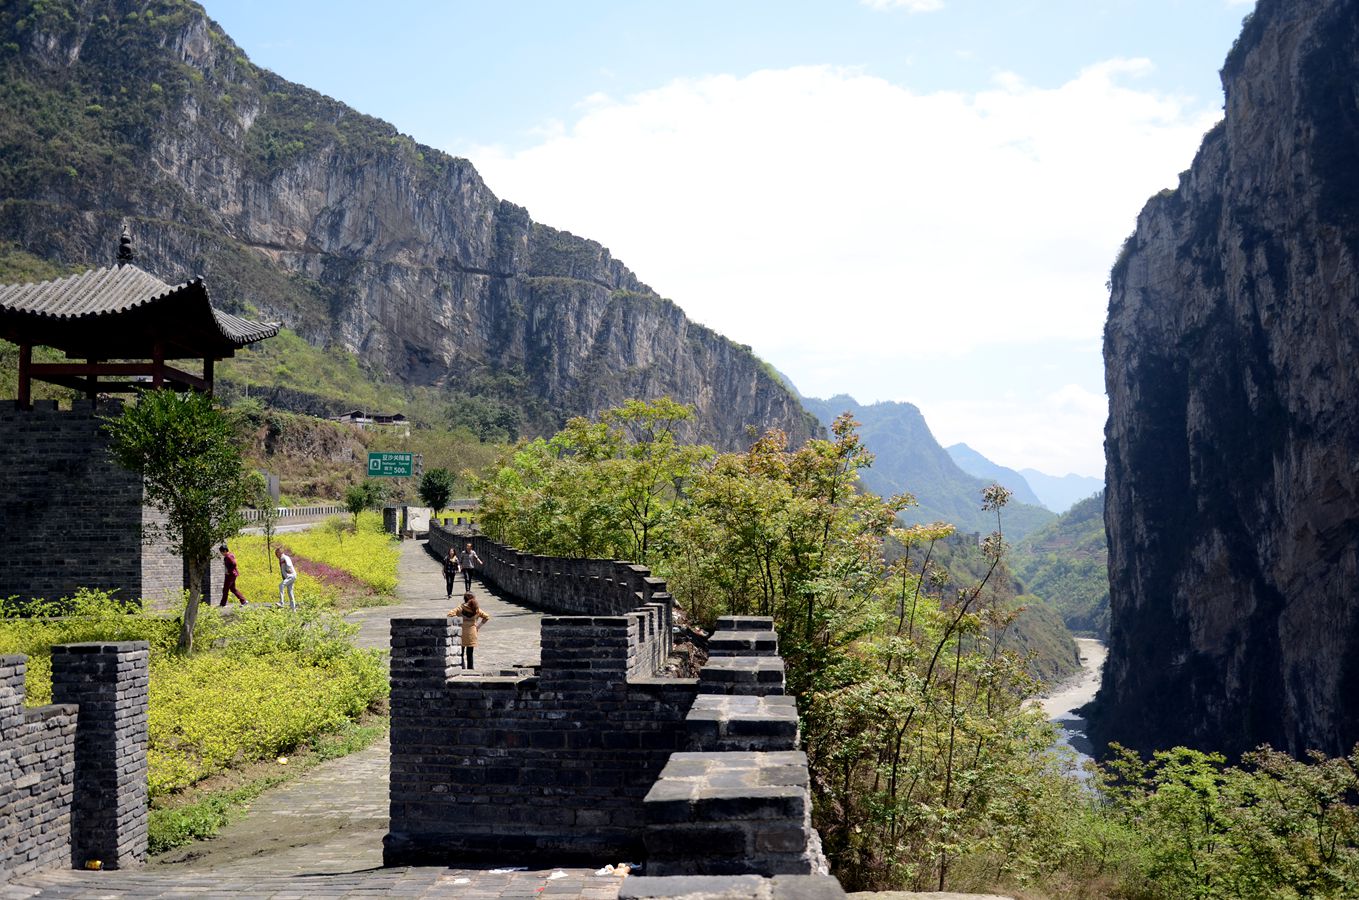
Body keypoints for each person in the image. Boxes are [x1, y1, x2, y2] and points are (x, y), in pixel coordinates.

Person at [449, 592, 490, 669]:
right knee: (470, 654)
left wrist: (459, 622)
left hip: (461, 633)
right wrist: (478, 627)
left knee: (460, 653)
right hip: (472, 633)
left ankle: (461, 668)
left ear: (465, 599)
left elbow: (450, 615)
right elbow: (486, 617)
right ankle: (470, 669)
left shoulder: (460, 608)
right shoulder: (476, 609)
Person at [275, 546, 297, 610]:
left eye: (277, 553)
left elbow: (289, 565)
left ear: (279, 552)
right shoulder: (281, 558)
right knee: (290, 592)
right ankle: (293, 609)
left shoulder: (285, 557)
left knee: (281, 585)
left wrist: (288, 570)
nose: (276, 555)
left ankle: (281, 602)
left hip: (291, 575)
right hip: (289, 576)